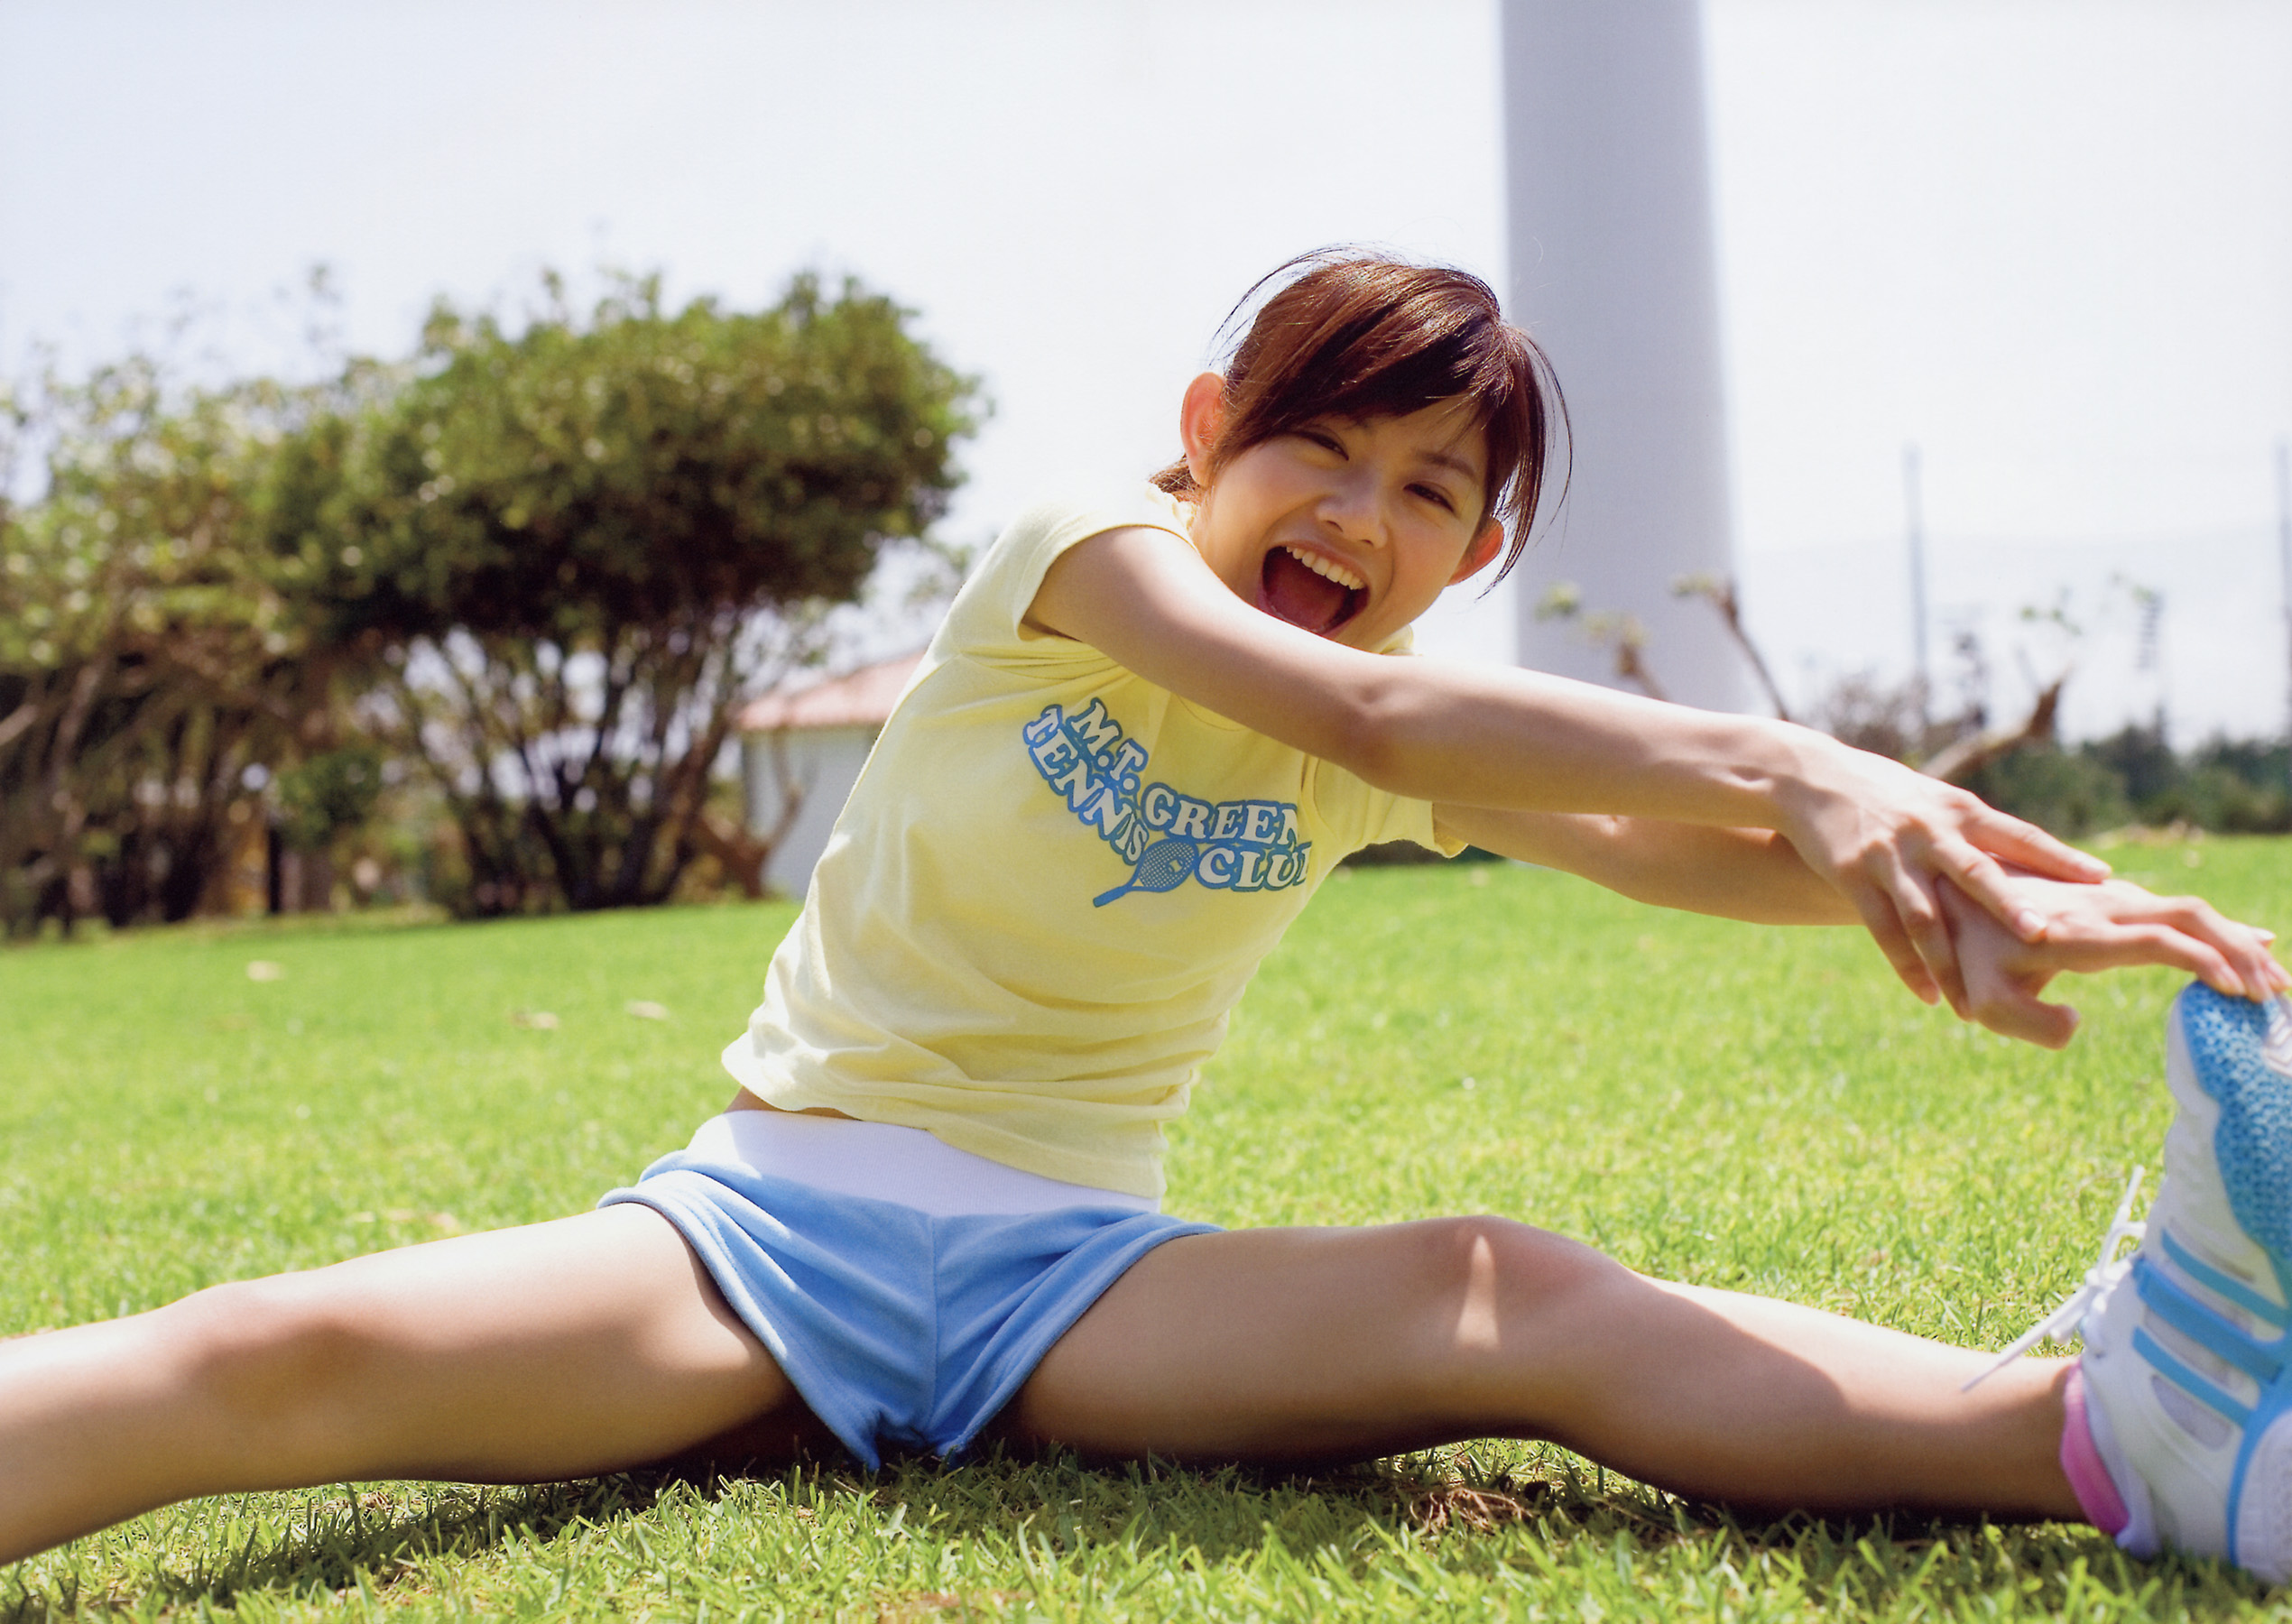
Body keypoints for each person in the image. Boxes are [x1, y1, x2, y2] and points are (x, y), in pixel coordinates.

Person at [5, 252, 2290, 1582]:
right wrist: (1797, 755)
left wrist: (2013, 884)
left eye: (1429, 492)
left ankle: (2127, 1438)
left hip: (1077, 1289)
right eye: (1321, 449)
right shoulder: (1074, 560)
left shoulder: (1387, 713)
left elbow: (1652, 848)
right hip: (759, 1239)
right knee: (275, 1350)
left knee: (1510, 1289)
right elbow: (1386, 726)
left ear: (1472, 552)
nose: (1360, 516)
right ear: (1205, 431)